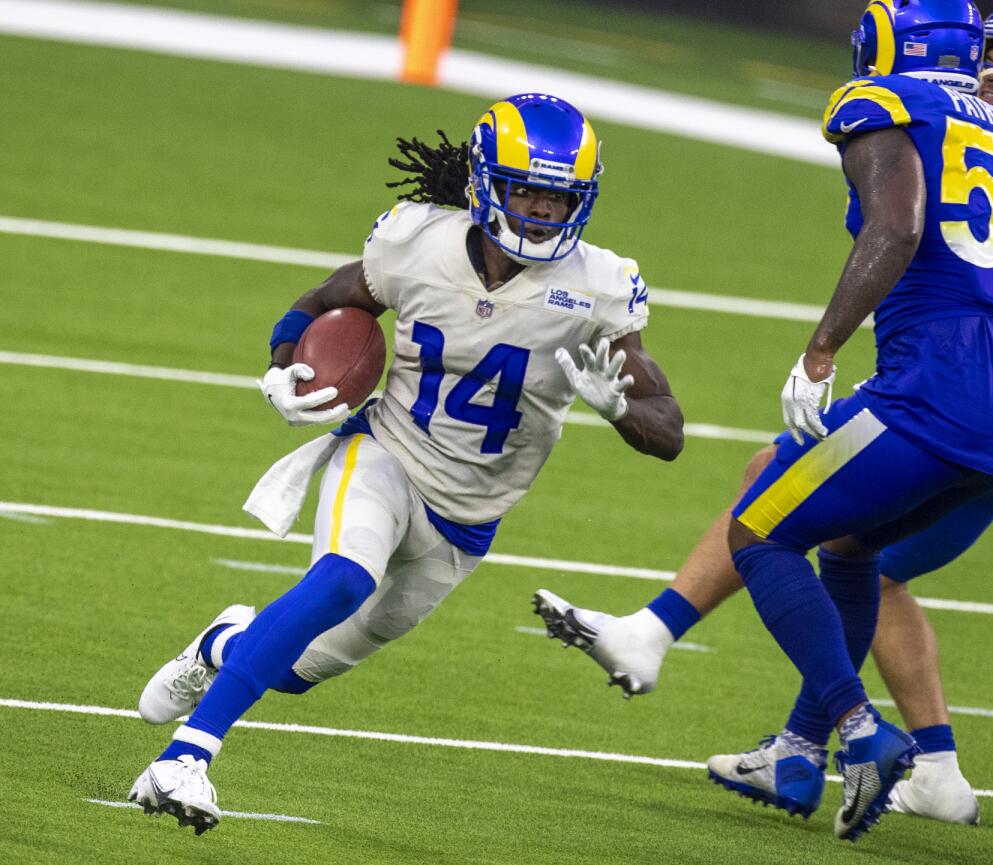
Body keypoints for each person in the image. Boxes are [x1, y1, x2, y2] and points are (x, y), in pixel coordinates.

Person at [534, 0, 993, 831]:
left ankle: (854, 729)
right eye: (989, 48)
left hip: (956, 384)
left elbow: (901, 225)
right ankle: (797, 749)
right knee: (856, 549)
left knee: (761, 522)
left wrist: (829, 351)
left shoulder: (975, 120)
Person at [127, 93, 684, 835]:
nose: (543, 213)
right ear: (488, 184)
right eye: (527, 192)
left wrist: (618, 409)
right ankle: (185, 756)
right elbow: (322, 301)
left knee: (296, 670)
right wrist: (284, 367)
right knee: (340, 578)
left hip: (466, 525)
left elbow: (669, 430)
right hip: (385, 454)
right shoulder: (416, 241)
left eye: (560, 199)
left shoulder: (598, 287)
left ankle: (222, 644)